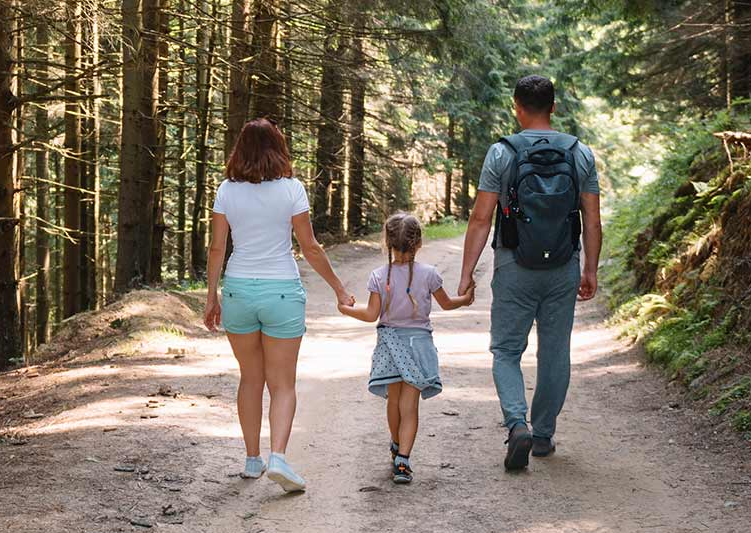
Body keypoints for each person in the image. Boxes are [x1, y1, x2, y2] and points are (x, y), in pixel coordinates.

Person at [457, 75, 603, 471]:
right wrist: (589, 268)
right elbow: (592, 218)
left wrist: (466, 273)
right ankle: (542, 435)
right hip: (563, 268)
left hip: (513, 266)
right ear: (553, 107)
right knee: (555, 352)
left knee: (506, 350)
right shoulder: (580, 153)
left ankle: (516, 422)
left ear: (517, 107)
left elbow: (480, 217)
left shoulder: (501, 154)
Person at [203, 118, 353, 493]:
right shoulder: (292, 189)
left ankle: (252, 459)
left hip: (238, 291)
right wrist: (338, 288)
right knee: (282, 383)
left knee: (251, 379)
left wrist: (211, 297)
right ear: (278, 148)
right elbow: (310, 247)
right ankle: (279, 457)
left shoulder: (226, 191)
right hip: (282, 292)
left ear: (240, 150)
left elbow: (217, 248)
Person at [338, 212, 475, 484]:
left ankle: (396, 443)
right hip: (418, 346)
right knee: (409, 407)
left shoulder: (379, 276)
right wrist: (466, 298)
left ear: (387, 242)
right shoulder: (430, 274)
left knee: (393, 403)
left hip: (389, 345)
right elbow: (447, 304)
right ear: (418, 243)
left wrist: (345, 309)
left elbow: (370, 315)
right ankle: (403, 461)